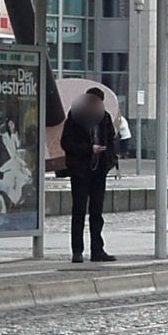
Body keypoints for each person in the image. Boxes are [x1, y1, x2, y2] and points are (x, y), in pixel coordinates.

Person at [61, 87, 117, 263]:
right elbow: (67, 143)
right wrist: (88, 149)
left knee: (96, 212)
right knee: (79, 211)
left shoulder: (105, 118)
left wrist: (109, 160)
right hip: (80, 170)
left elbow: (111, 139)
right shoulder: (75, 117)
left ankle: (97, 249)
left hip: (99, 170)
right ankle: (77, 251)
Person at [0, 118, 31, 207]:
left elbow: (18, 146)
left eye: (13, 125)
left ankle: (14, 199)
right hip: (14, 160)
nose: (11, 126)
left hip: (16, 161)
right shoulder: (6, 137)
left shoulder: (15, 135)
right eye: (10, 125)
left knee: (17, 179)